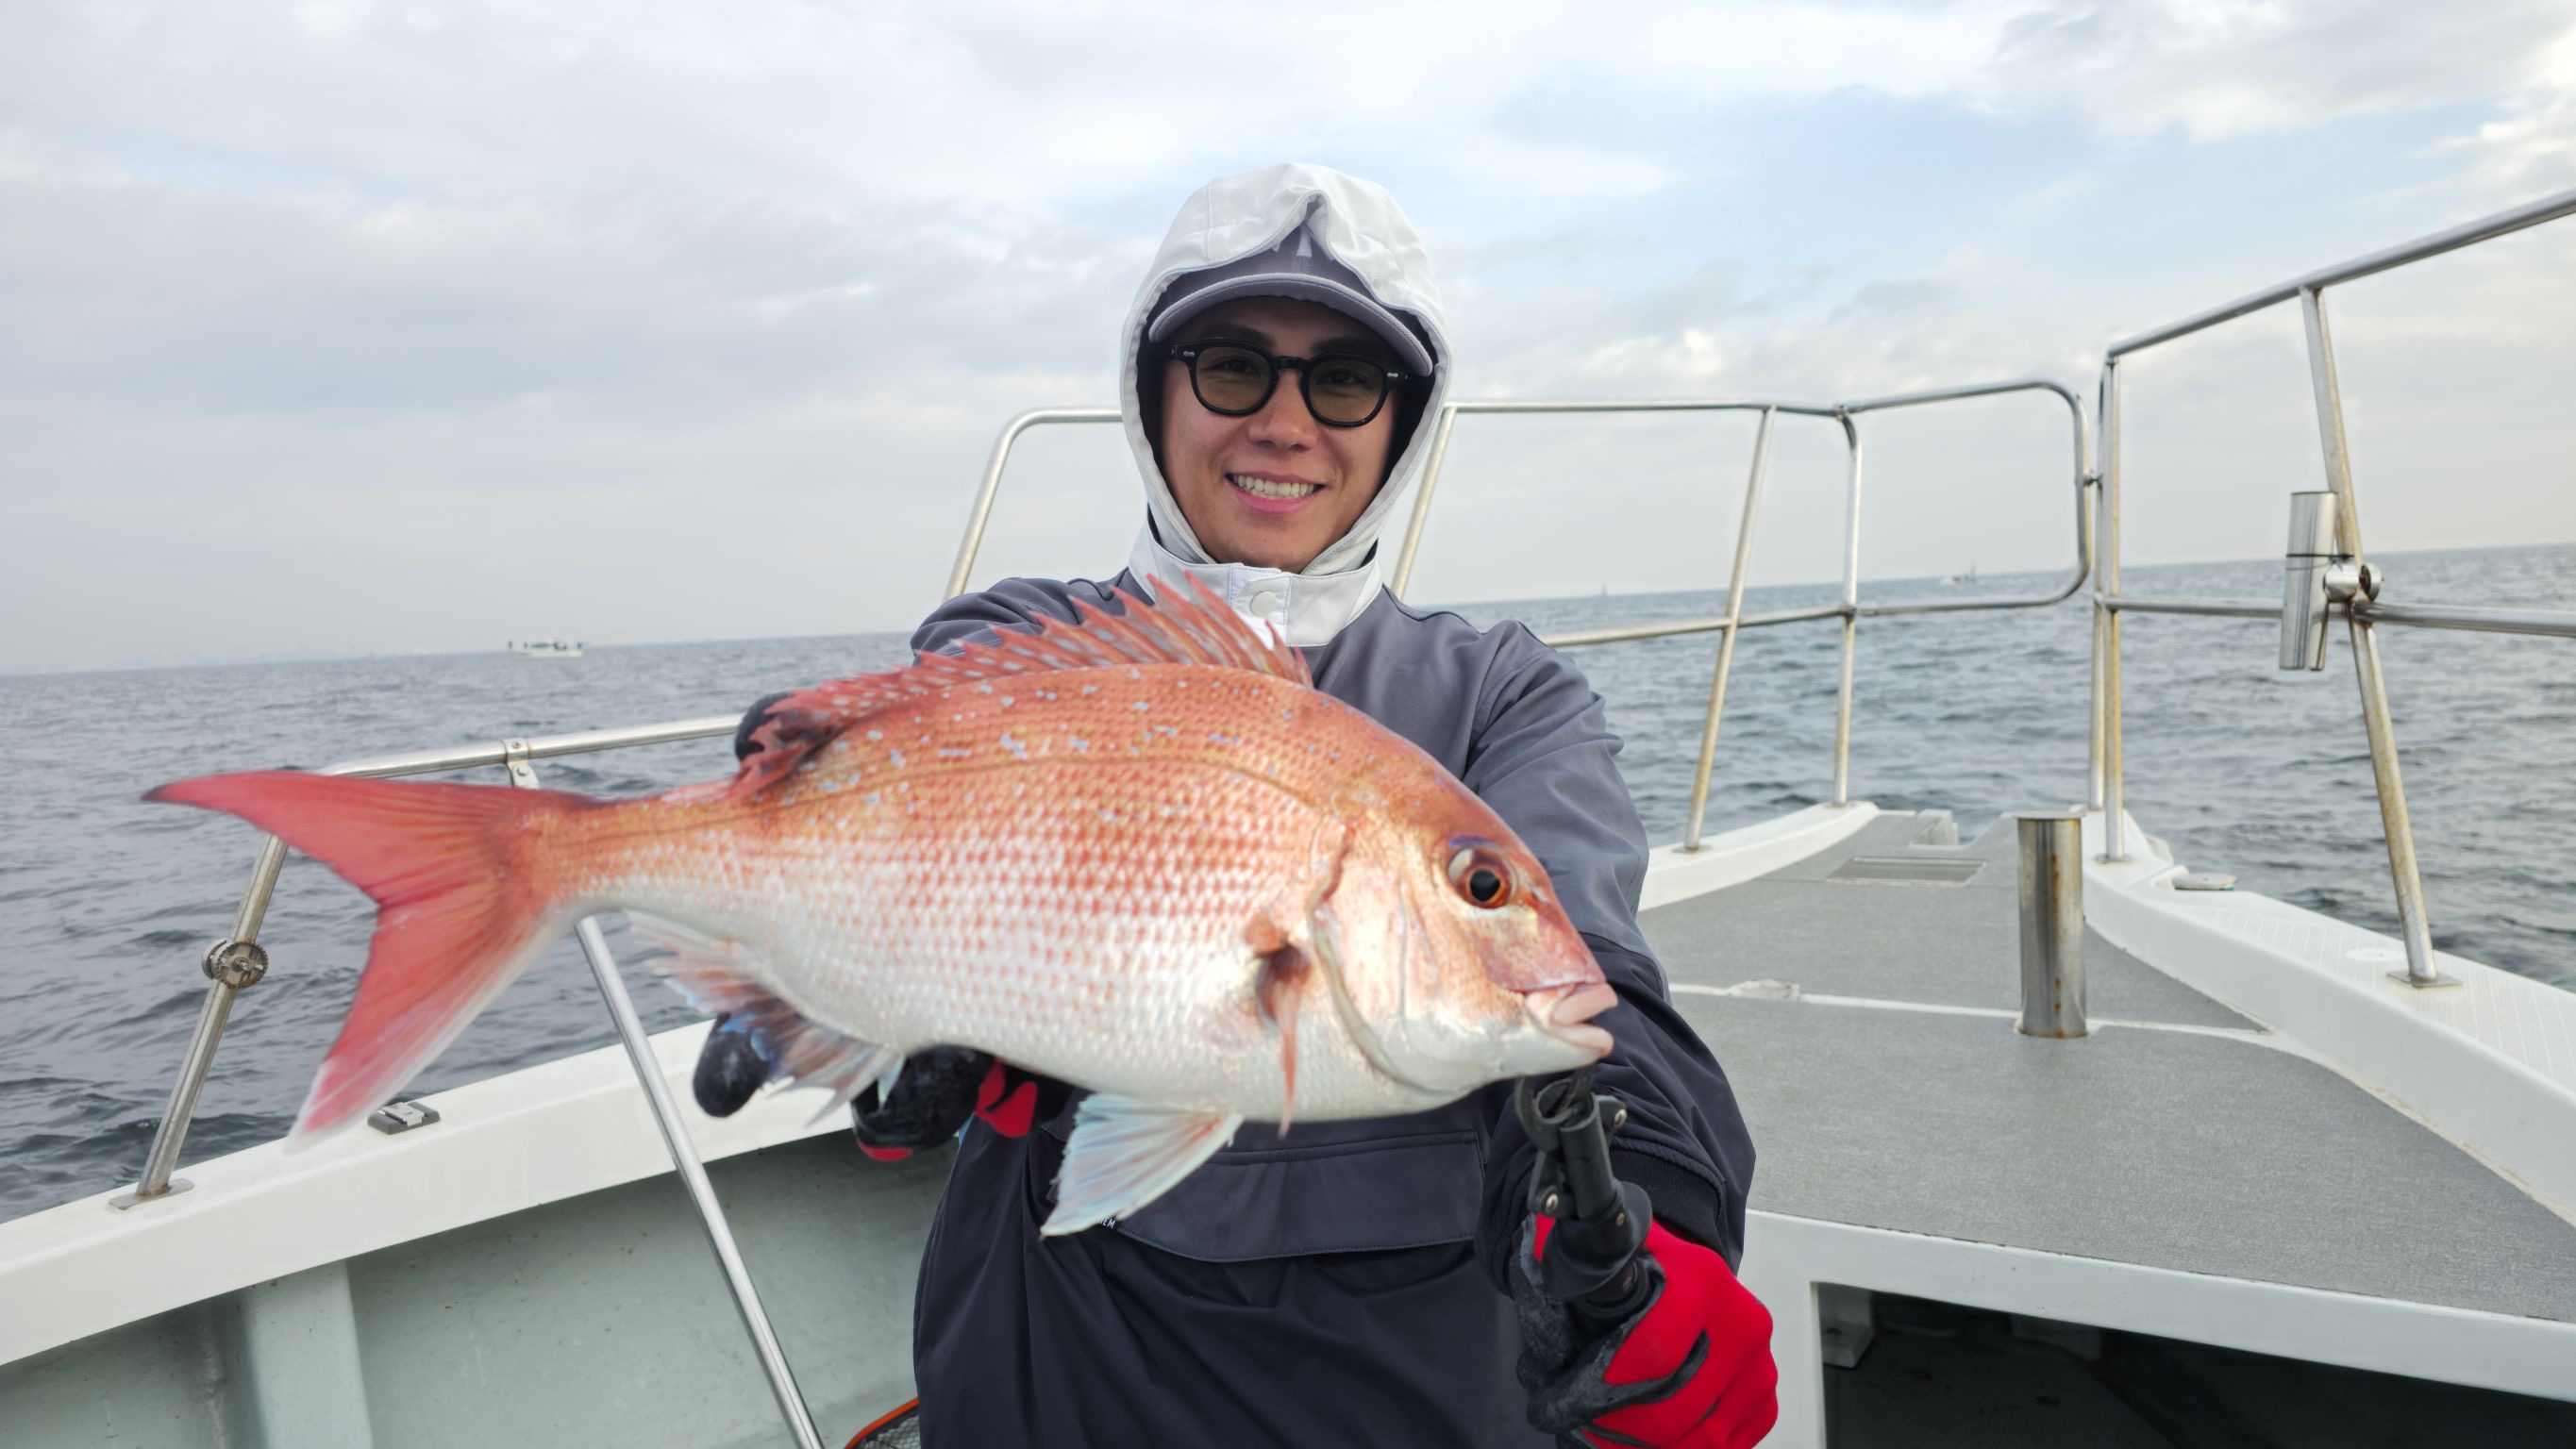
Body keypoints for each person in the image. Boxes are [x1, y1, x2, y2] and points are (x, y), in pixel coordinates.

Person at [698, 162, 1776, 1449]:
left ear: (1402, 422)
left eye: (1344, 381)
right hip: (1055, 1371)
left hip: (1424, 1391)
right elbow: (921, 827)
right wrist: (871, 1014)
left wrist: (1646, 1220)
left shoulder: (1505, 696)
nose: (1283, 423)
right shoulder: (1023, 642)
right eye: (1230, 367)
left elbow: (1597, 990)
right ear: (1151, 392)